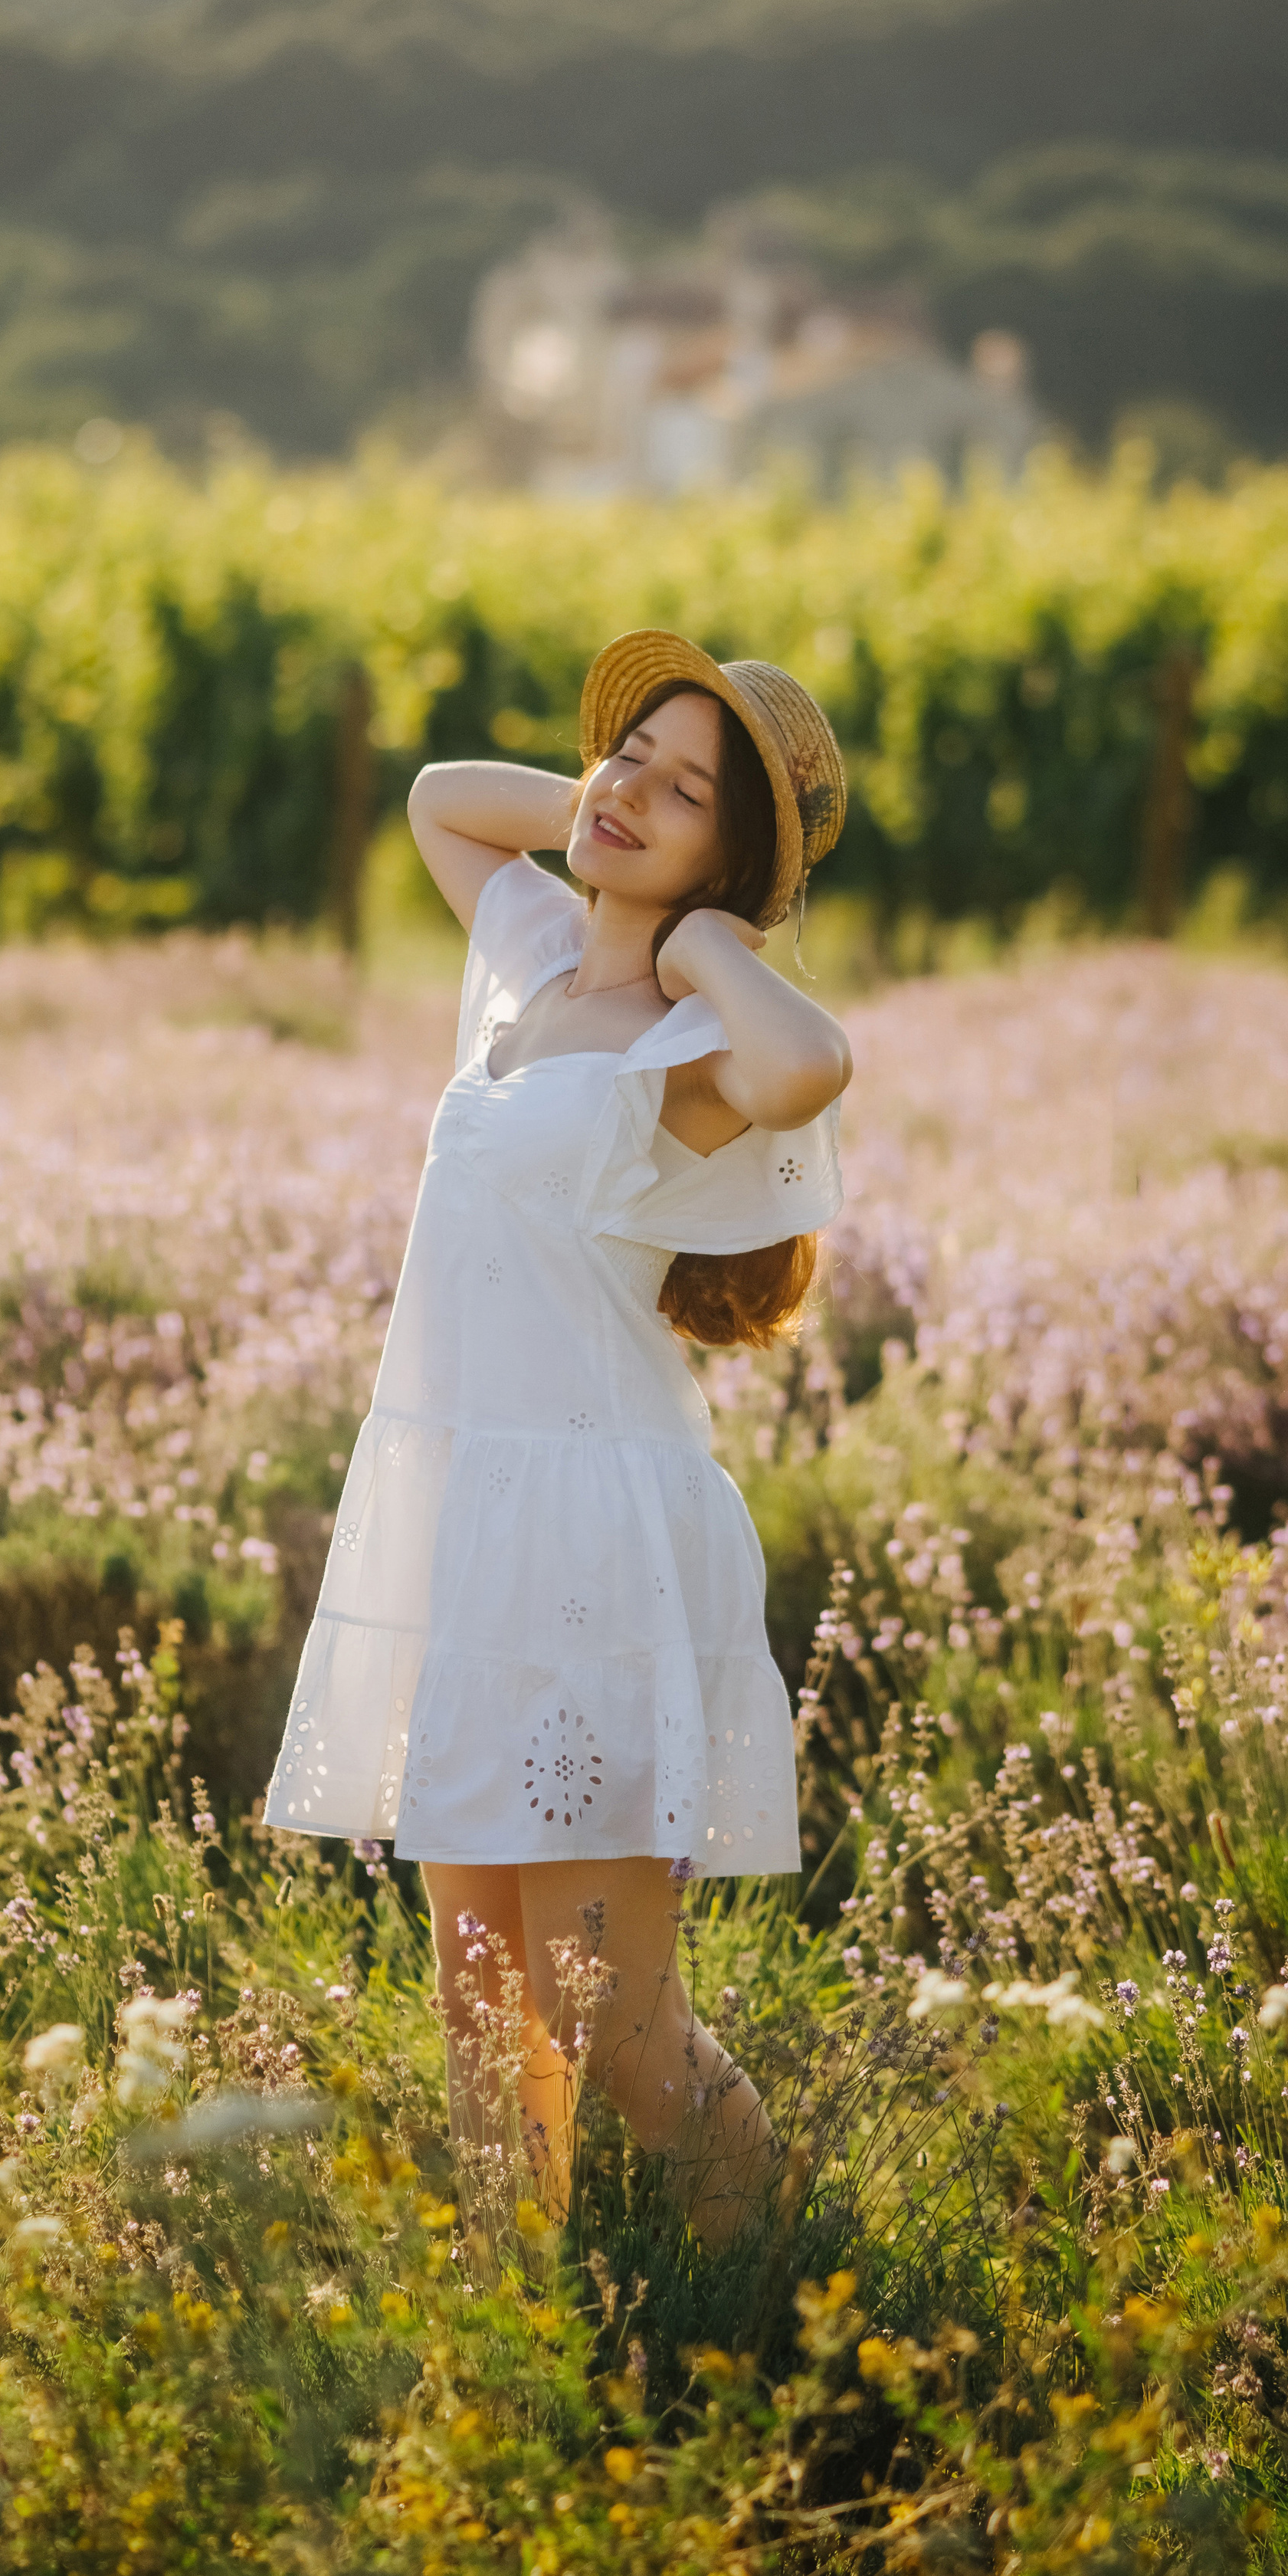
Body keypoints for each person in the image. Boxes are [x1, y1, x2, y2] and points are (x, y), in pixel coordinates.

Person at [263, 628, 853, 2249]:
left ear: (734, 862)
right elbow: (442, 801)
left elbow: (812, 1063)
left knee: (612, 2017)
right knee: (477, 1986)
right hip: (465, 1509)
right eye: (629, 756)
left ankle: (791, 2307)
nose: (631, 792)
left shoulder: (690, 1050)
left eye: (688, 791)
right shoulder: (526, 954)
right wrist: (614, 819)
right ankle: (517, 2325)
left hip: (590, 1529)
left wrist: (707, 938)